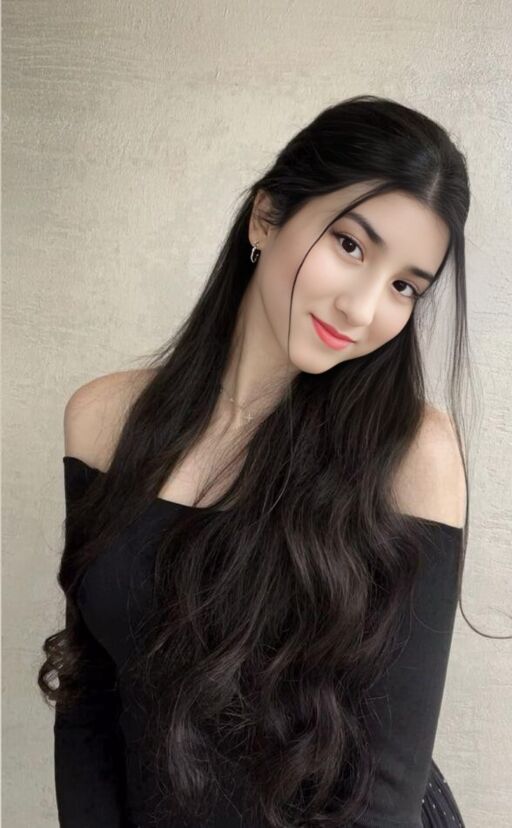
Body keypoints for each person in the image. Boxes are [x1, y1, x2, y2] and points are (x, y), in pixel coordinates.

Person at [39, 94, 475, 827]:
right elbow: (91, 696)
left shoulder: (413, 456)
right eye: (350, 246)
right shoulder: (103, 422)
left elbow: (385, 788)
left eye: (404, 286)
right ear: (266, 216)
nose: (364, 308)